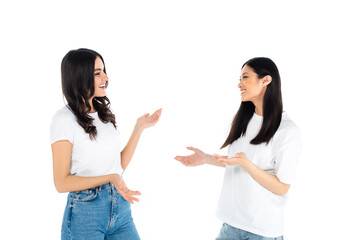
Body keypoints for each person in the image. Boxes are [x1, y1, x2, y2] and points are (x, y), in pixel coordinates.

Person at [175, 57, 301, 240]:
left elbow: (282, 187)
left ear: (266, 80)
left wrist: (246, 163)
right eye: (239, 79)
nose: (239, 84)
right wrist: (205, 158)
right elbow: (239, 161)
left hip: (262, 232)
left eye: (245, 77)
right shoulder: (245, 120)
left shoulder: (287, 131)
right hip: (231, 226)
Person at [50, 48, 162, 240]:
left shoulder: (104, 116)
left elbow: (117, 167)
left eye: (104, 70)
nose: (105, 77)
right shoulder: (63, 119)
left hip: (120, 207)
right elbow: (61, 183)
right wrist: (111, 177)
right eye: (97, 73)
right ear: (79, 76)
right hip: (86, 212)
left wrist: (139, 128)